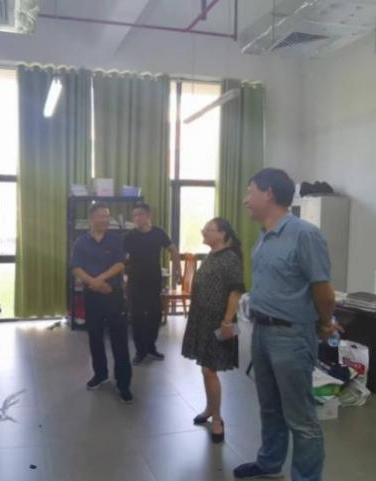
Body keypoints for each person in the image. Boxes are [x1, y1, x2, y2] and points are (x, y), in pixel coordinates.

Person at [234, 168, 337, 481]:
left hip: (291, 336)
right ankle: (269, 462)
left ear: (268, 194)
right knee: (269, 407)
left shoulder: (305, 234)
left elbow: (323, 291)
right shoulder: (264, 235)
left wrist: (325, 324)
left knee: (300, 417)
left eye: (250, 191)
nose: (245, 199)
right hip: (262, 332)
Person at [182, 218, 244, 444]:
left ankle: (217, 418)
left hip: (219, 321)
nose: (203, 232)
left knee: (209, 369)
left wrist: (227, 321)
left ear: (222, 234)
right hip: (202, 319)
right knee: (206, 368)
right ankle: (210, 408)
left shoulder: (230, 258)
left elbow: (235, 292)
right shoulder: (212, 255)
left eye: (208, 230)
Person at [71, 203, 133, 404]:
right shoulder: (81, 242)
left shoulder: (115, 240)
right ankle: (100, 374)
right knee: (95, 338)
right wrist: (94, 283)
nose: (105, 220)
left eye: (107, 216)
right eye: (101, 216)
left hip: (114, 296)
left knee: (119, 341)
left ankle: (123, 384)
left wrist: (100, 280)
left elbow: (120, 264)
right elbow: (76, 268)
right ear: (91, 219)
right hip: (92, 297)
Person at [124, 203, 181, 364]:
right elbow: (121, 258)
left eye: (140, 214)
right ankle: (140, 351)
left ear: (149, 215)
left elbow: (173, 250)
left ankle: (150, 346)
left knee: (155, 315)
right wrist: (122, 277)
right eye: (134, 216)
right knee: (137, 317)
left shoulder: (158, 233)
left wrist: (177, 270)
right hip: (135, 281)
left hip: (154, 280)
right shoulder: (130, 236)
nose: (137, 218)